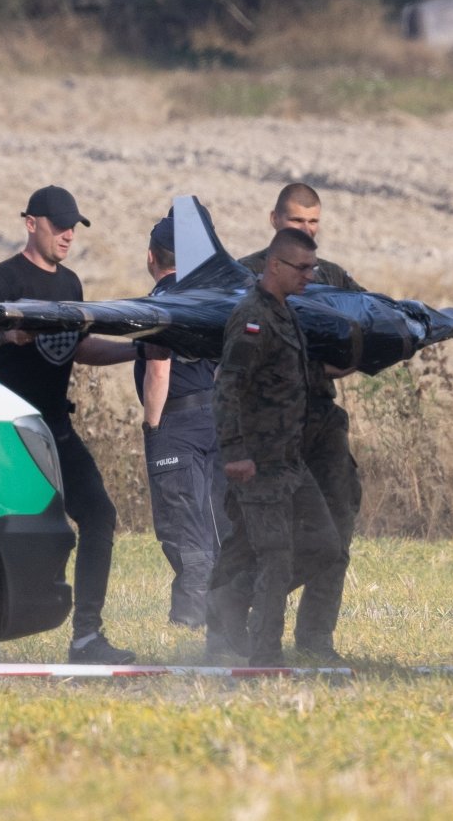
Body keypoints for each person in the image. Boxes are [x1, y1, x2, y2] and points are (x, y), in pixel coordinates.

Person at [0, 185, 138, 665]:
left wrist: (138, 349)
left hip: (55, 427)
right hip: (5, 431)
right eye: (59, 225)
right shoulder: (0, 279)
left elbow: (77, 348)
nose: (68, 234)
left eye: (74, 226)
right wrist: (8, 334)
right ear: (31, 223)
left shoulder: (71, 285)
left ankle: (87, 638)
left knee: (99, 516)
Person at [239, 182, 364, 661]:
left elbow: (364, 329)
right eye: (296, 222)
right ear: (274, 221)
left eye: (313, 222)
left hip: (321, 419)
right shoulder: (248, 276)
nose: (307, 230)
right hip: (270, 428)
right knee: (257, 540)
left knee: (338, 527)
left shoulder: (330, 276)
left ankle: (316, 638)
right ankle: (234, 617)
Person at [207, 227, 342, 666]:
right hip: (258, 462)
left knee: (325, 547)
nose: (310, 276)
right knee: (276, 556)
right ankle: (265, 656)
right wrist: (235, 452)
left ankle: (232, 597)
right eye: (302, 268)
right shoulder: (253, 318)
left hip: (290, 462)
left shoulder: (287, 314)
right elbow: (228, 387)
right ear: (275, 265)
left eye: (313, 268)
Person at [135, 213, 228, 628]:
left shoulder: (160, 304)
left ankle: (189, 628)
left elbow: (159, 369)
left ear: (151, 257)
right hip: (216, 418)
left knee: (186, 535)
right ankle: (225, 623)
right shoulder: (210, 299)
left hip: (178, 425)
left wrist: (152, 429)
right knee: (215, 526)